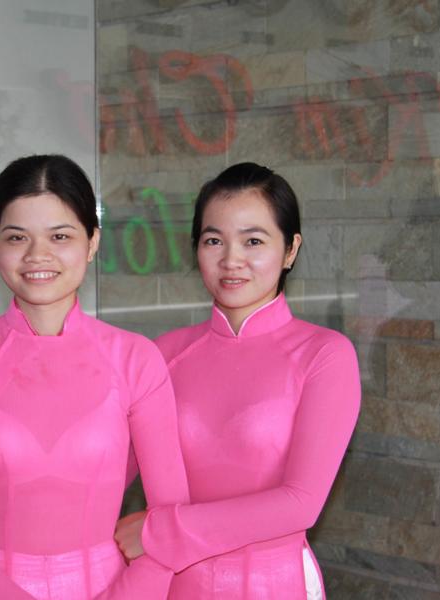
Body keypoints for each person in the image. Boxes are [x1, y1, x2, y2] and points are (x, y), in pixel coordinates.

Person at [0, 154, 189, 600]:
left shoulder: (137, 359)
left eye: (60, 236)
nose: (36, 256)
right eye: (16, 237)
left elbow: (172, 519)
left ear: (92, 241)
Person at [114, 162, 361, 599]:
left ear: (290, 249)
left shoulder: (324, 355)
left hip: (275, 585)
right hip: (171, 587)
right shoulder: (164, 354)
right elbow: (108, 473)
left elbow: (299, 503)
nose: (231, 260)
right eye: (214, 240)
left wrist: (159, 532)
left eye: (253, 241)